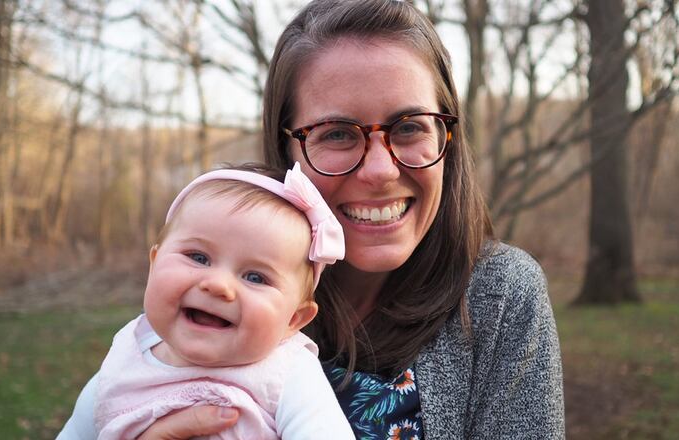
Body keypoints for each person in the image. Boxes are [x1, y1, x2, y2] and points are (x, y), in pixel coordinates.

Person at [140, 0, 565, 438]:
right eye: (338, 134)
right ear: (287, 150)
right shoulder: (209, 280)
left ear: (446, 137)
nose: (381, 171)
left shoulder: (499, 296)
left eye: (409, 126)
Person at [57, 163, 355, 439]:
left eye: (255, 277)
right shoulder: (121, 364)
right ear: (155, 262)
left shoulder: (288, 374)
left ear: (294, 320)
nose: (217, 285)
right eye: (198, 258)